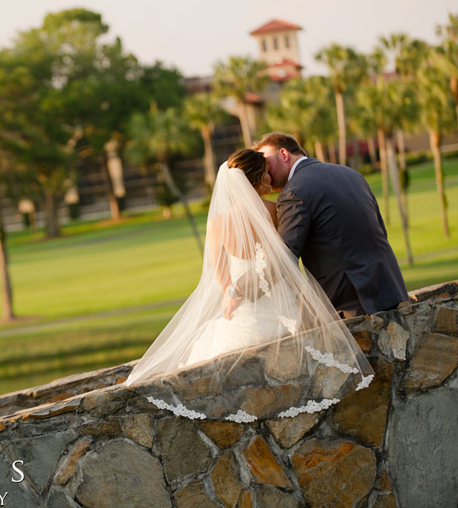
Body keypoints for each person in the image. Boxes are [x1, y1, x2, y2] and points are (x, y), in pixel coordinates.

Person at [124, 149, 373, 424]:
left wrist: (233, 293)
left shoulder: (218, 223)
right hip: (285, 309)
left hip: (246, 315)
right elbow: (287, 257)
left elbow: (220, 275)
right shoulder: (276, 211)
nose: (270, 176)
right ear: (260, 177)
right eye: (266, 171)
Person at [253, 132, 409, 317]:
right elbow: (380, 229)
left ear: (284, 154)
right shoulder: (351, 174)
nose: (265, 171)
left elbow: (285, 256)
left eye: (266, 162)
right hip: (389, 289)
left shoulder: (294, 192)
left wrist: (244, 289)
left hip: (351, 304)